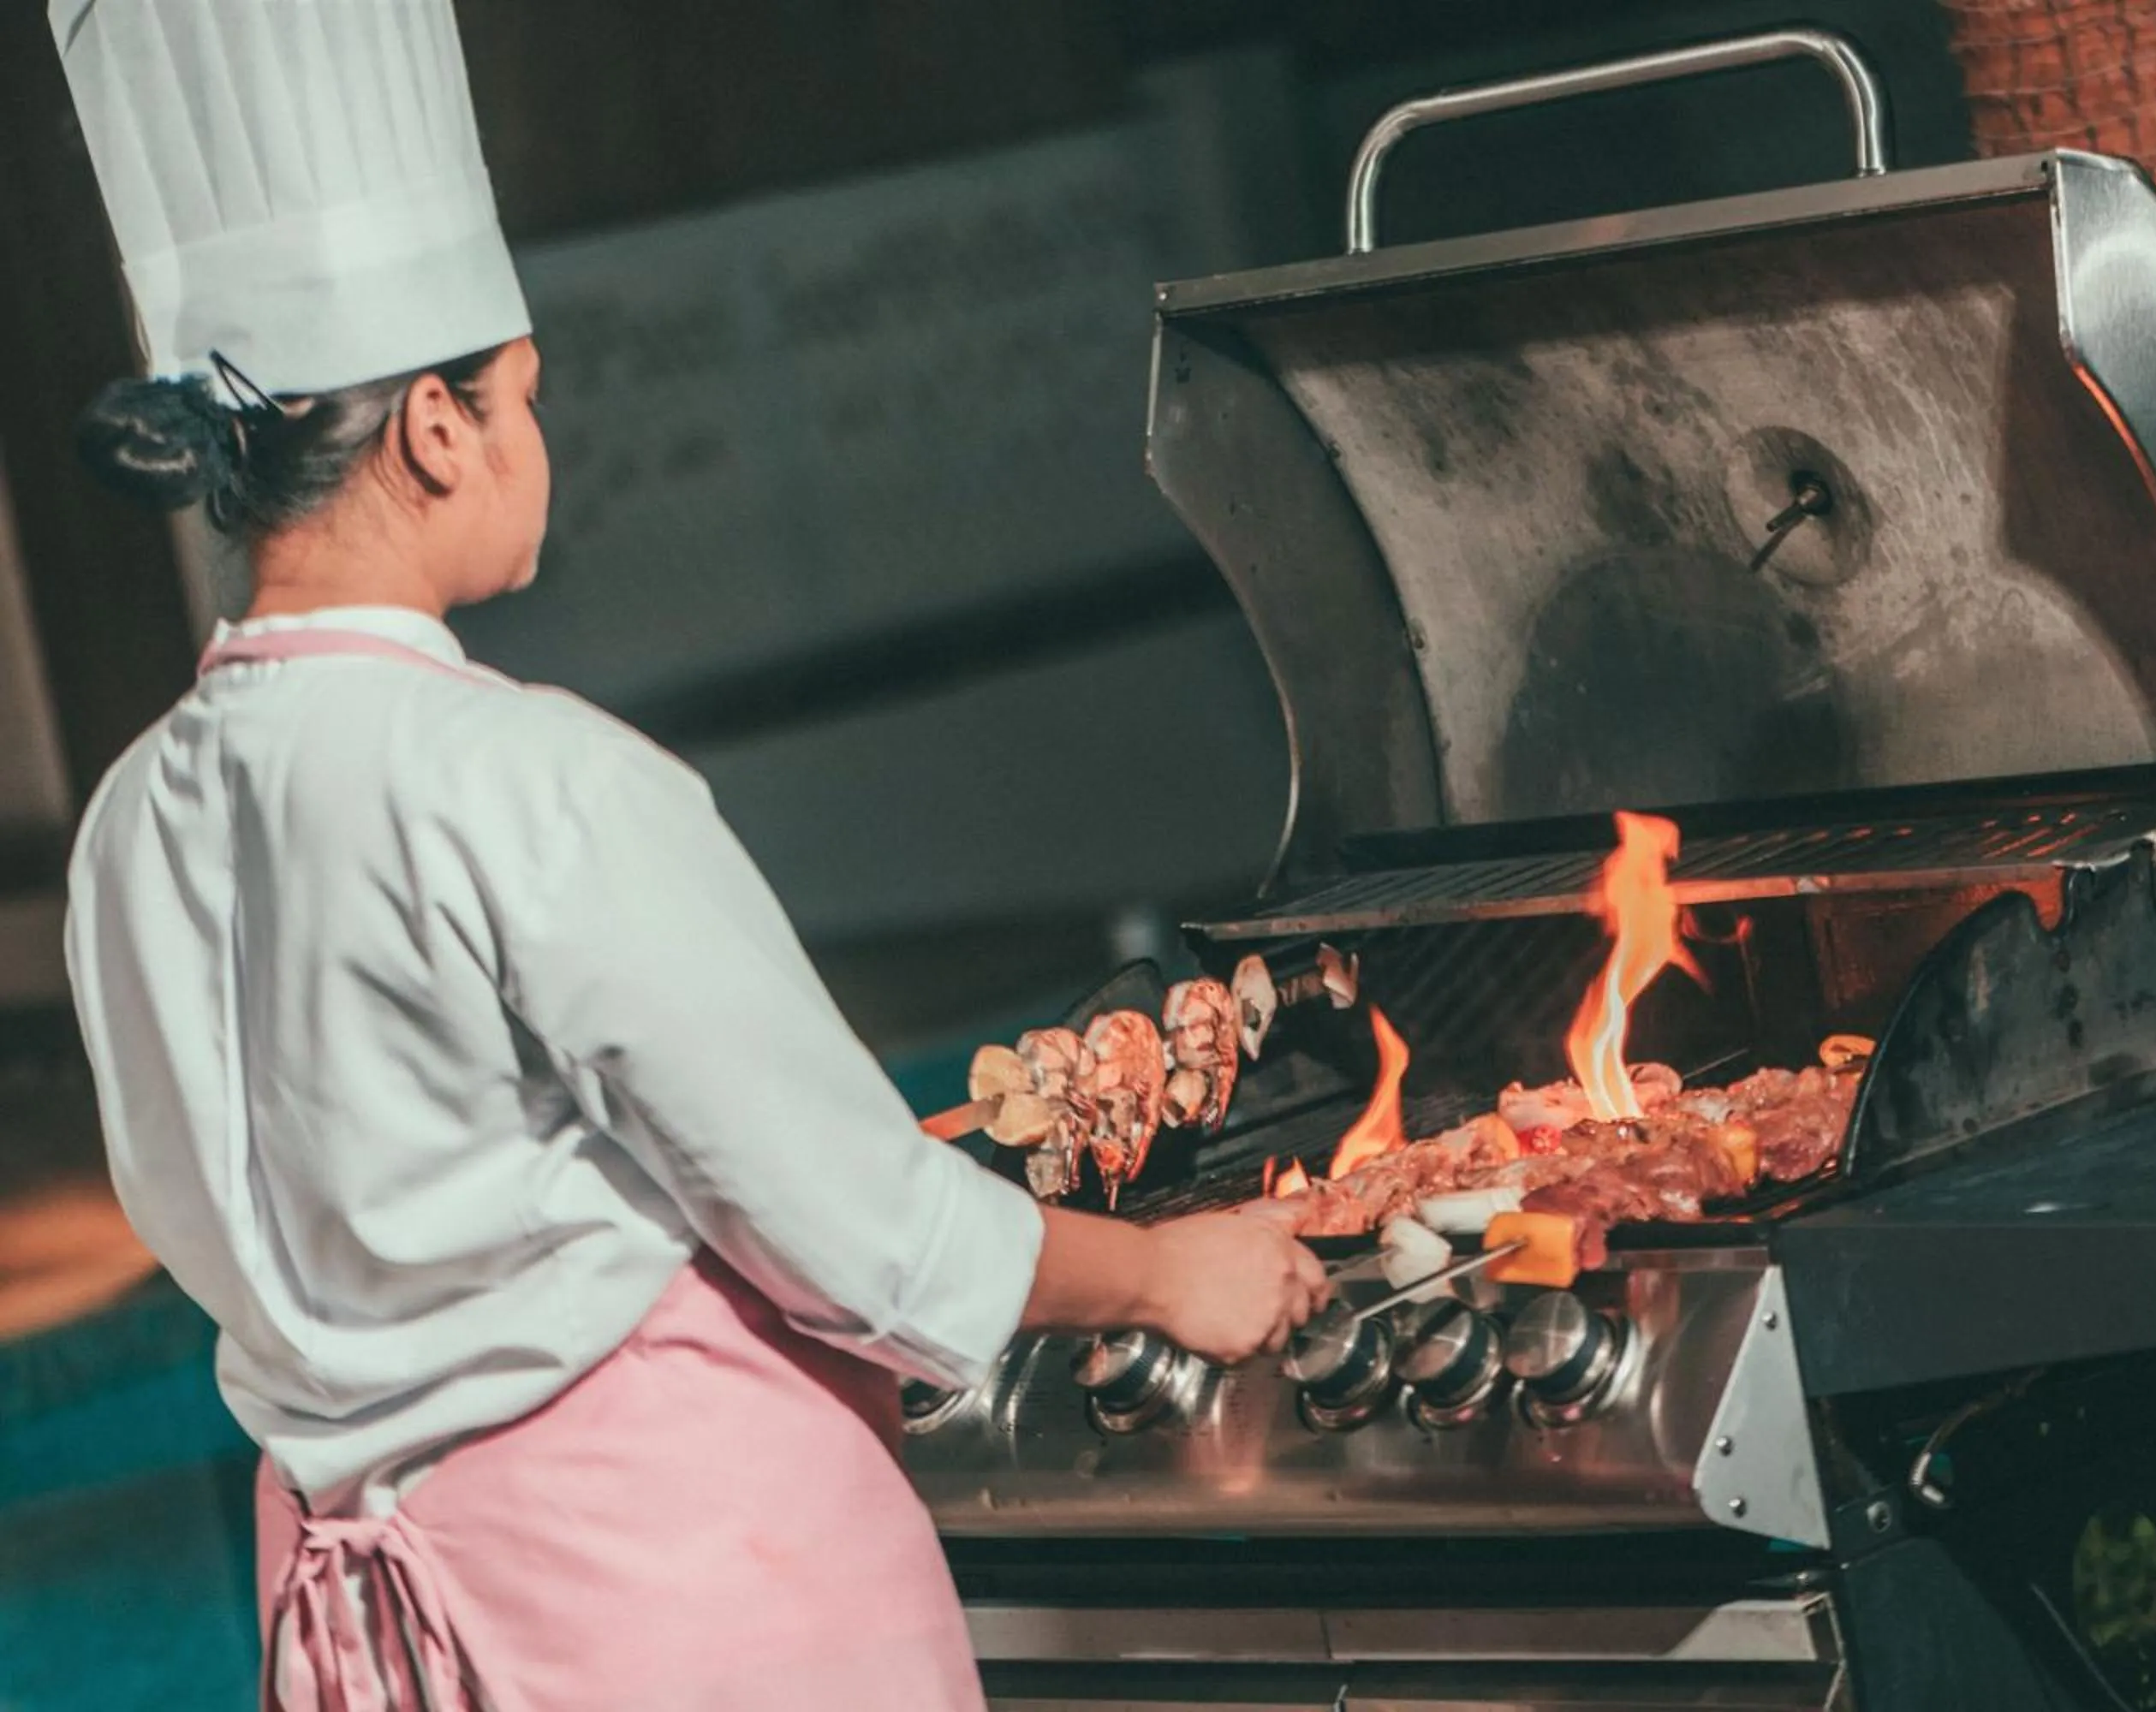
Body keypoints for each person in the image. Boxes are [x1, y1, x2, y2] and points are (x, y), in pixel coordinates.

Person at [48, 3, 1326, 1708]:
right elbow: (857, 1223)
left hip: (380, 1647)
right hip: (679, 1610)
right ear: (437, 427)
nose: (533, 441)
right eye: (525, 399)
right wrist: (1172, 1270)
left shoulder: (128, 827)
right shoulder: (531, 781)